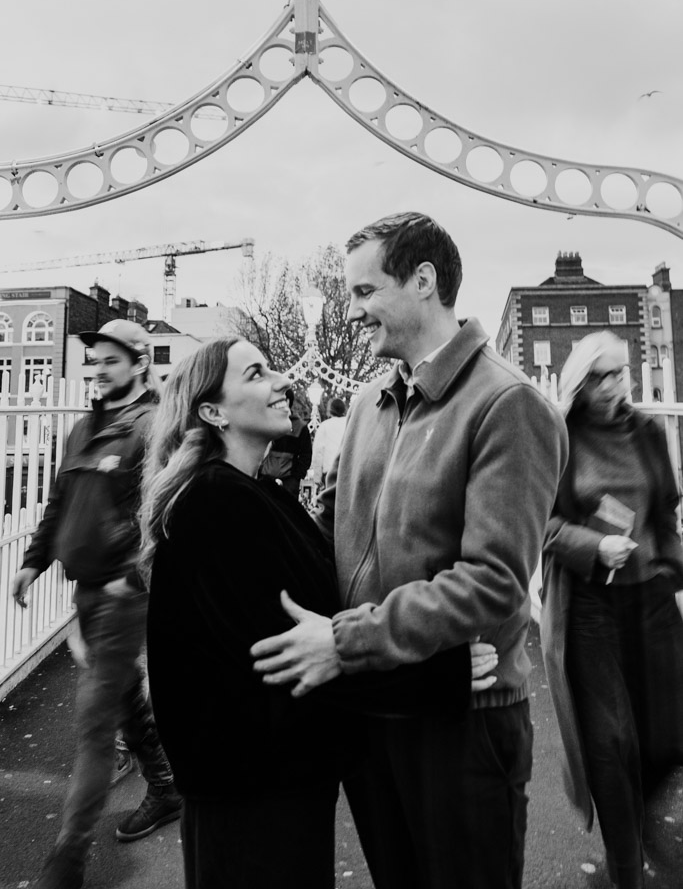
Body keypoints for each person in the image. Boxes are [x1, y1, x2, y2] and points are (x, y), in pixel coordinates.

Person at [251, 211, 568, 889]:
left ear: (422, 281)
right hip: (374, 709)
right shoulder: (367, 405)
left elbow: (492, 582)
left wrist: (344, 641)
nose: (352, 311)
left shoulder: (507, 404)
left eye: (365, 292)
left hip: (464, 724)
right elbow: (328, 533)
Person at [140, 336, 490, 889]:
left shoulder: (259, 493)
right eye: (256, 374)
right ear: (212, 412)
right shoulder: (216, 502)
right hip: (251, 797)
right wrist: (438, 676)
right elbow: (291, 659)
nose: (282, 381)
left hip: (275, 782)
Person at [12, 319, 182, 889]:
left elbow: (162, 514)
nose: (100, 369)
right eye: (96, 360)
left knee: (91, 723)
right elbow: (60, 501)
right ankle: (164, 788)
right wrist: (34, 561)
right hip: (85, 592)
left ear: (138, 363)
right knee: (121, 697)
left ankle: (68, 859)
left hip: (121, 595)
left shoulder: (153, 427)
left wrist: (132, 575)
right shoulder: (84, 427)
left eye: (112, 360)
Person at [540, 330, 683, 889]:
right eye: (598, 375)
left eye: (620, 372)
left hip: (650, 601)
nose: (612, 386)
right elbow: (542, 525)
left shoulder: (646, 430)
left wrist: (670, 564)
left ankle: (640, 820)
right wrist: (592, 546)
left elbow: (665, 509)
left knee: (666, 737)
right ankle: (627, 870)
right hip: (592, 606)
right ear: (579, 380)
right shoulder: (561, 436)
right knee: (610, 741)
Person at [259, 387, 312, 497]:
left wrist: (296, 478)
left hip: (288, 482)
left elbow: (306, 454)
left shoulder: (300, 427)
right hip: (264, 479)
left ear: (287, 401)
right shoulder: (264, 422)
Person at [311, 396, 347, 487]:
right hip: (346, 470)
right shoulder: (349, 424)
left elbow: (318, 452)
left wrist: (317, 476)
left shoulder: (324, 426)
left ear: (330, 410)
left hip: (329, 470)